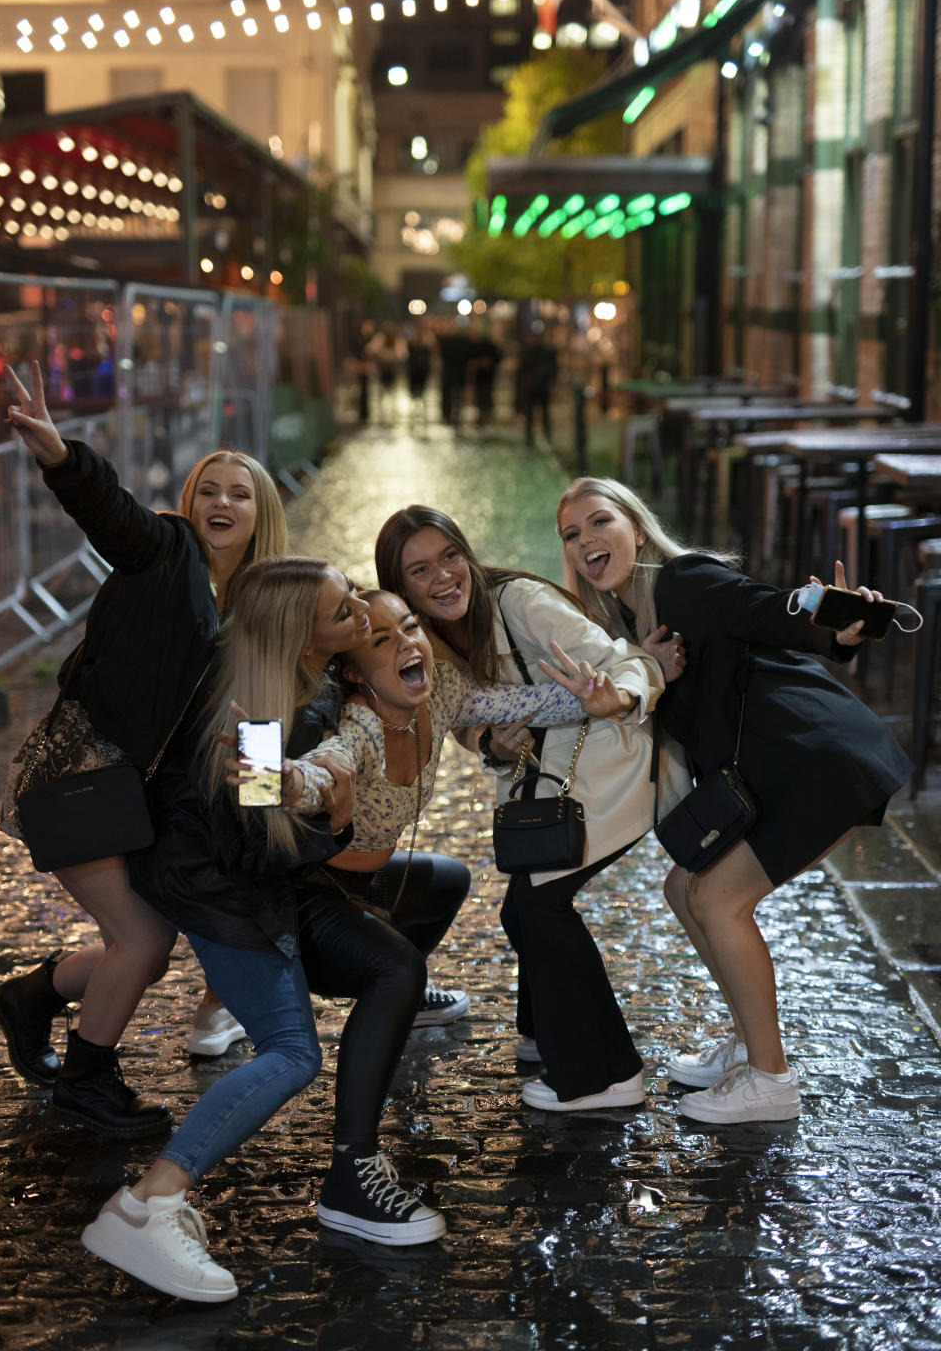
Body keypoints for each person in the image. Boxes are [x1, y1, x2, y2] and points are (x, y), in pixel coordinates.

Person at [0, 361, 287, 1136]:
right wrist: (60, 454)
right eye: (209, 489)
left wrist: (261, 812)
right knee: (145, 940)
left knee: (147, 944)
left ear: (264, 516)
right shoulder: (168, 553)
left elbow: (260, 719)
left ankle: (32, 997)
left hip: (140, 800)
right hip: (82, 775)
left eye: (240, 492)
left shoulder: (255, 615)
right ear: (190, 504)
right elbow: (112, 512)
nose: (221, 502)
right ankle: (86, 1083)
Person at [556, 475, 914, 1125]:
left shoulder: (684, 579)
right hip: (774, 771)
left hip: (817, 759)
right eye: (571, 535)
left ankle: (771, 1080)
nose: (586, 542)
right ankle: (752, 1047)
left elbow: (767, 608)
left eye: (599, 522)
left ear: (636, 528)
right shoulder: (628, 630)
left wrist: (838, 624)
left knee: (719, 899)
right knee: (681, 886)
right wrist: (643, 670)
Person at [82, 558, 365, 1301]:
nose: (359, 609)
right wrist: (339, 822)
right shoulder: (264, 718)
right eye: (344, 608)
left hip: (189, 874)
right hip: (217, 892)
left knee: (289, 1049)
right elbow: (255, 849)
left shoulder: (260, 682)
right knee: (293, 1053)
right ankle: (147, 1205)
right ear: (302, 636)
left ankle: (155, 1201)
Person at [374, 507, 689, 1113]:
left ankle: (605, 1075)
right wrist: (489, 742)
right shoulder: (425, 641)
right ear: (398, 586)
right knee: (522, 908)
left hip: (618, 766)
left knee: (541, 905)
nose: (444, 576)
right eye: (420, 569)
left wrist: (623, 688)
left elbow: (616, 661)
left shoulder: (518, 601)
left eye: (449, 556)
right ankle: (548, 1031)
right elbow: (465, 711)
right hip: (564, 781)